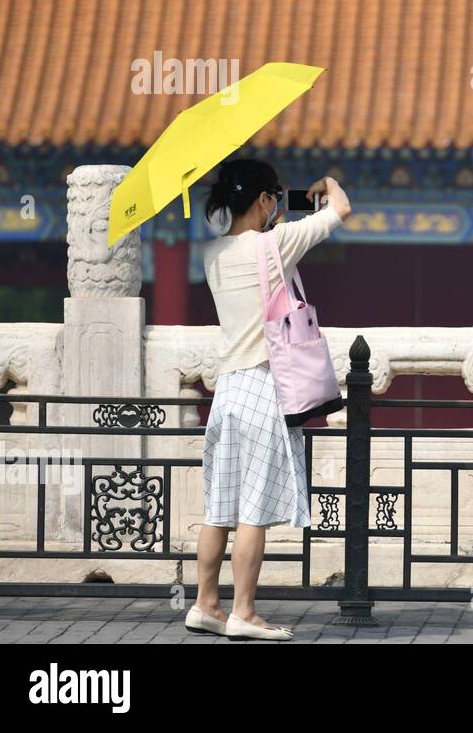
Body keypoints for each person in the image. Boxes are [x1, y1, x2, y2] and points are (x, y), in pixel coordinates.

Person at [184, 158, 351, 640]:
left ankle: (205, 605)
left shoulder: (211, 254)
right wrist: (322, 185)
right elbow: (340, 207)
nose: (277, 205)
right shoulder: (277, 243)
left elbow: (260, 230)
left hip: (227, 391)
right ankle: (245, 612)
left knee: (220, 507)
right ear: (262, 201)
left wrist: (278, 205)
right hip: (263, 388)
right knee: (253, 510)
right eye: (272, 197)